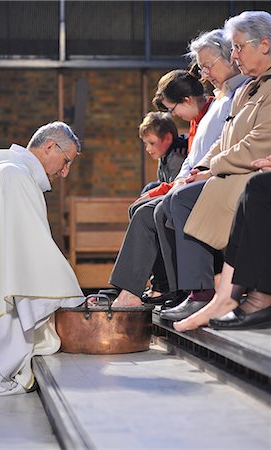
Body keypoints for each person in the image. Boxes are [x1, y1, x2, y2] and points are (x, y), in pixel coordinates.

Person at [109, 28, 247, 308]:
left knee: (164, 206)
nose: (203, 73)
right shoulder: (222, 98)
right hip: (206, 175)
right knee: (152, 206)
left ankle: (183, 290)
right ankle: (156, 289)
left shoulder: (236, 96)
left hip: (225, 178)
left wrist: (190, 178)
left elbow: (226, 147)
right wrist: (179, 181)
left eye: (208, 66)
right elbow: (203, 153)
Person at [161, 10, 271, 322]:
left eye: (238, 47)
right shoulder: (249, 88)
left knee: (182, 200)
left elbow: (260, 143)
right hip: (234, 170)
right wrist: (204, 166)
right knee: (174, 201)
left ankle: (204, 293)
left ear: (264, 44)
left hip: (247, 172)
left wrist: (214, 168)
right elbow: (224, 138)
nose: (234, 56)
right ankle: (198, 292)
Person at [0, 121, 85, 397]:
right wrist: (75, 301)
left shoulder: (9, 173)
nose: (65, 172)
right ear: (49, 146)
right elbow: (35, 251)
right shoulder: (15, 177)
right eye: (65, 161)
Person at [173, 157, 271, 331]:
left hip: (236, 168)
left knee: (258, 186)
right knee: (251, 191)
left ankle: (256, 298)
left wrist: (211, 170)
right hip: (228, 168)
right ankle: (224, 298)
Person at [138, 111, 188, 196]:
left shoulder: (177, 157)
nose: (148, 148)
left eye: (152, 143)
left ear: (168, 138)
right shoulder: (163, 154)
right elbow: (161, 182)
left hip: (178, 195)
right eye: (146, 144)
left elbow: (175, 189)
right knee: (151, 187)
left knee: (150, 189)